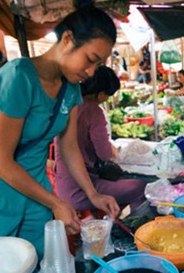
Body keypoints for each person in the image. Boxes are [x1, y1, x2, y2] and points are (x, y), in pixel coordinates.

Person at [0, 0, 120, 259]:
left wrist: (93, 194)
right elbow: (0, 160)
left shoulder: (71, 90)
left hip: (36, 196)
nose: (92, 72)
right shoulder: (17, 77)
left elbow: (68, 147)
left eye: (99, 64)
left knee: (40, 272)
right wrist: (56, 202)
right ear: (67, 39)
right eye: (90, 59)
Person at [55, 66, 147, 212]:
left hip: (63, 185)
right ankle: (132, 229)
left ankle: (113, 221)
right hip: (81, 190)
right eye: (108, 95)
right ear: (101, 94)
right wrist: (111, 149)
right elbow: (104, 154)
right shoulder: (93, 110)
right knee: (140, 187)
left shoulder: (67, 105)